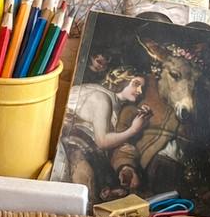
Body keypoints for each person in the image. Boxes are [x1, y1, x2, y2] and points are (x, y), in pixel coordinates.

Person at [51, 66, 151, 203]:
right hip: (68, 139)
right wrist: (133, 130)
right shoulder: (102, 99)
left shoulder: (113, 101)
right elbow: (102, 141)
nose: (139, 91)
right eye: (136, 84)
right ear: (121, 80)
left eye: (142, 88)